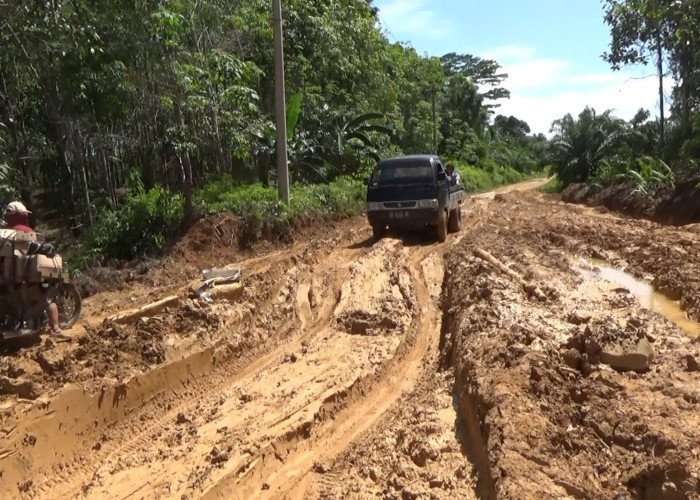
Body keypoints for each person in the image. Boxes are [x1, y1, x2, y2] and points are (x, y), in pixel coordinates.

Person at [4, 201, 69, 339]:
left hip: (5, 280)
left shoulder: (4, 234)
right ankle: (55, 329)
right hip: (22, 281)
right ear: (22, 216)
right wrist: (48, 249)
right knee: (48, 297)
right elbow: (37, 247)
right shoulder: (24, 232)